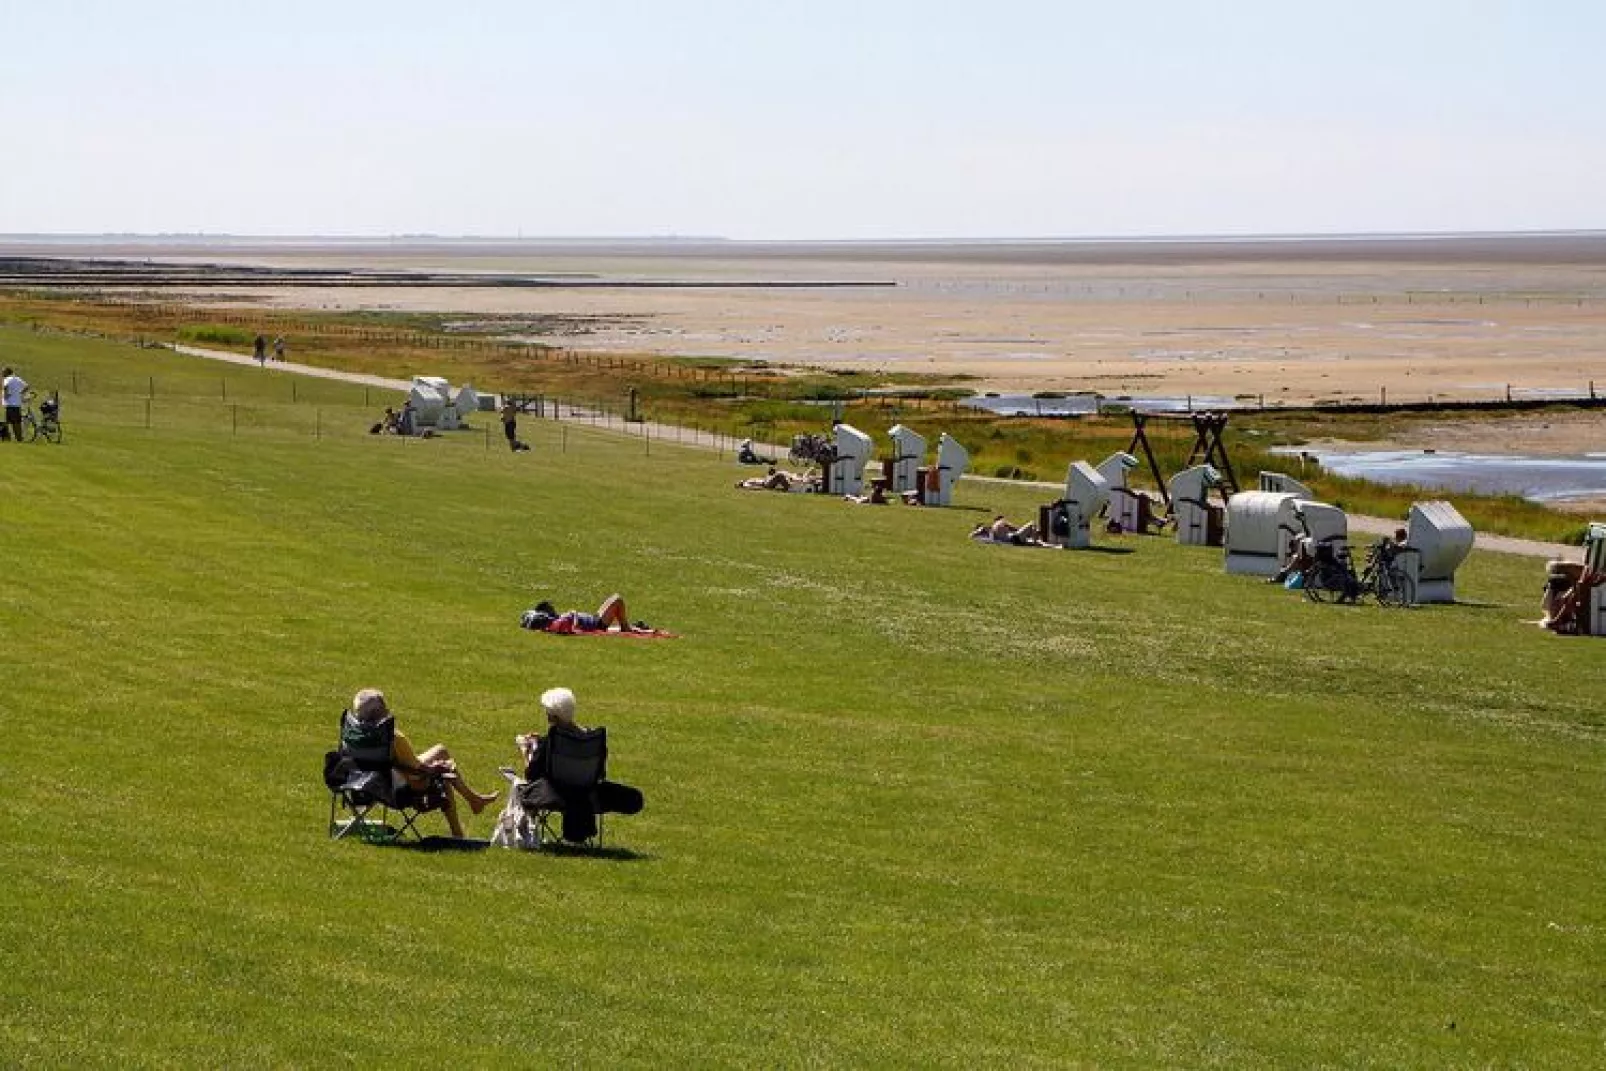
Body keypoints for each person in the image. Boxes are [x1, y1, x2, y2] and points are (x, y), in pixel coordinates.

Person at [349, 688, 498, 838]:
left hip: (366, 784)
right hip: (400, 788)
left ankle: (474, 800)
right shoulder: (393, 737)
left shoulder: (356, 734)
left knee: (441, 752)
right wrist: (435, 769)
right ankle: (460, 829)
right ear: (381, 711)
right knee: (446, 773)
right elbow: (415, 770)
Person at [515, 687, 644, 843]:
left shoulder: (552, 741)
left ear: (552, 717)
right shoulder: (593, 740)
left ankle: (527, 835)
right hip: (589, 793)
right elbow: (600, 773)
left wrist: (525, 750)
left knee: (522, 791)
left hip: (557, 794)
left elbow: (531, 774)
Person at [521, 594, 650, 634]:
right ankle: (626, 627)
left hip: (594, 619)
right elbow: (573, 627)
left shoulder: (556, 621)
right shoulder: (559, 621)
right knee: (617, 600)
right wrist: (574, 615)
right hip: (597, 624)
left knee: (614, 600)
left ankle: (630, 626)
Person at [970, 515, 1045, 545]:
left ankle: (1036, 539)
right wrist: (980, 529)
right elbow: (1014, 528)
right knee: (1032, 523)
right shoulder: (998, 525)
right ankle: (1036, 542)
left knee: (1032, 528)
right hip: (1014, 538)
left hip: (1014, 538)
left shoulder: (993, 529)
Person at [1, 367, 26, 443]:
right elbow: (27, 386)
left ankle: (8, 438)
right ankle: (19, 439)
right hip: (17, 404)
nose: (2, 374)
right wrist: (20, 393)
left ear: (7, 373)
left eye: (3, 372)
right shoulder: (18, 379)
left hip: (10, 404)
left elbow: (5, 387)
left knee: (8, 423)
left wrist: (6, 395)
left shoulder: (7, 379)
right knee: (17, 423)